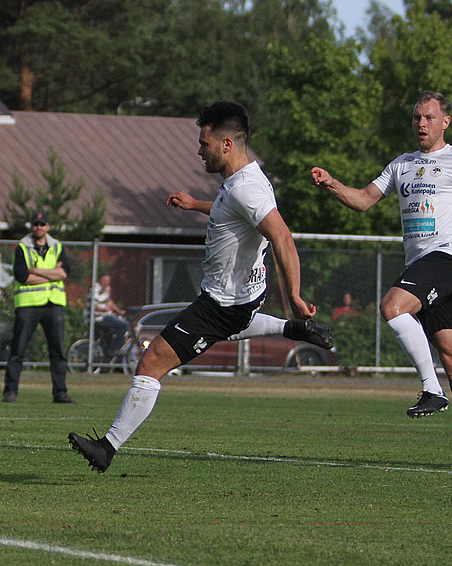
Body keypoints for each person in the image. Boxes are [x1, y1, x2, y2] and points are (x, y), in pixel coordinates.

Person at [69, 100, 323, 473]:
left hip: (222, 303)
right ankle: (291, 329)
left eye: (204, 142)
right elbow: (230, 208)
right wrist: (195, 205)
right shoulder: (239, 182)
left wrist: (297, 295)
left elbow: (283, 237)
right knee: (230, 326)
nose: (199, 149)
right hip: (237, 299)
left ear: (226, 145)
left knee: (151, 361)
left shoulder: (246, 189)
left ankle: (107, 448)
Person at [311, 90, 452, 418]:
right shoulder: (401, 164)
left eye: (430, 117)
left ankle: (431, 389)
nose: (421, 123)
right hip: (420, 263)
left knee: (392, 306)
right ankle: (440, 384)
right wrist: (332, 183)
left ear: (446, 122)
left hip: (449, 256)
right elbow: (364, 199)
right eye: (417, 117)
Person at [3, 211, 74, 404]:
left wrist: (36, 270)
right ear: (32, 226)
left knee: (58, 350)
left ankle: (60, 393)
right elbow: (22, 276)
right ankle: (10, 391)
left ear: (48, 227)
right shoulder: (22, 247)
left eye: (43, 224)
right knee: (18, 349)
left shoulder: (57, 246)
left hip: (54, 303)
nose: (39, 227)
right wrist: (51, 273)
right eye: (36, 224)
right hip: (28, 305)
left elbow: (64, 273)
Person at [85, 274, 129, 357]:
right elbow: (93, 305)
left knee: (109, 334)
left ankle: (106, 354)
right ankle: (116, 349)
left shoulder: (105, 289)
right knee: (124, 326)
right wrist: (103, 310)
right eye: (104, 281)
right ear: (100, 281)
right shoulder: (95, 290)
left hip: (104, 316)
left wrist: (119, 311)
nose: (106, 283)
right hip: (97, 318)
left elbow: (109, 302)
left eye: (108, 281)